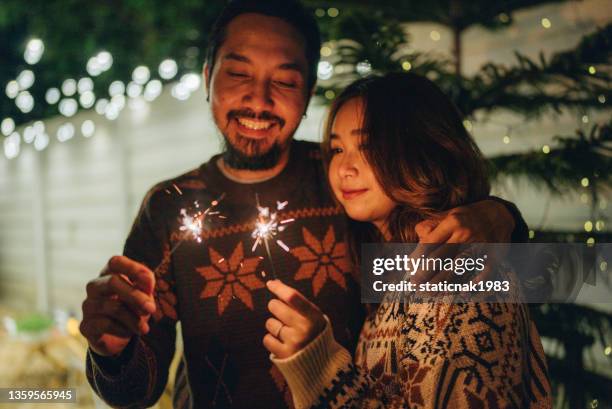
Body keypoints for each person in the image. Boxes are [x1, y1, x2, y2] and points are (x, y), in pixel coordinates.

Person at [80, 1, 527, 408]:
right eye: (238, 74)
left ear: (308, 88)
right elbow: (135, 392)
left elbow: (469, 276)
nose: (259, 99)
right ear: (206, 78)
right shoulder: (168, 209)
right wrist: (112, 351)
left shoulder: (347, 183)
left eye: (285, 80)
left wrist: (501, 216)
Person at [264, 73, 552, 408]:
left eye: (368, 147)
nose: (344, 167)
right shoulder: (398, 272)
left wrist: (319, 368)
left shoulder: (454, 275)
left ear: (422, 149)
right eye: (337, 148)